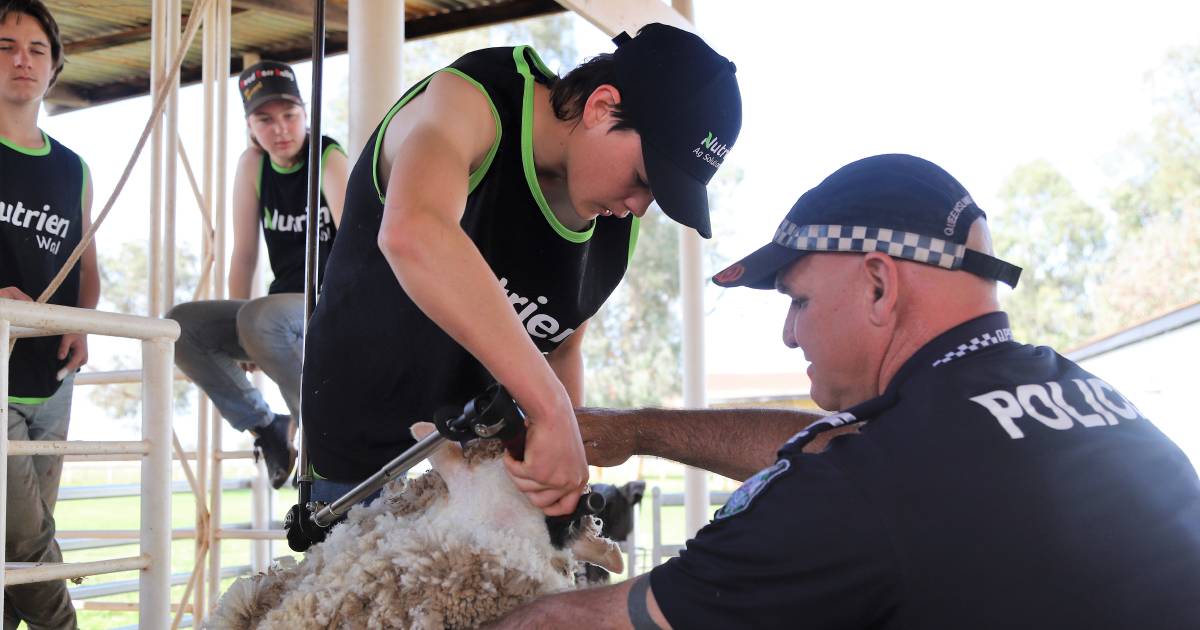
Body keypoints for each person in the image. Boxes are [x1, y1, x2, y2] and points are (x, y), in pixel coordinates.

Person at [489, 154, 1200, 629]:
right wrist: (638, 430)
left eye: (797, 300)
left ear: (881, 284)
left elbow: (580, 625)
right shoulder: (1094, 406)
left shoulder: (868, 490)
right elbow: (855, 455)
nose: (790, 337)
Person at [301, 24, 742, 515]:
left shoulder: (613, 219)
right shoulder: (472, 101)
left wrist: (561, 469)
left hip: (476, 476)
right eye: (643, 179)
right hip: (360, 465)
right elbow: (413, 233)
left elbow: (561, 348)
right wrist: (549, 408)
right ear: (600, 107)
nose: (639, 208)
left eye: (657, 197)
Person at [167, 60, 349, 489]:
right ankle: (267, 425)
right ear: (250, 125)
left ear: (306, 114)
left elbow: (357, 245)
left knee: (260, 318)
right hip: (277, 310)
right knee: (181, 325)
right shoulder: (252, 166)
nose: (280, 129)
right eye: (265, 119)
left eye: (290, 116)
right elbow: (244, 253)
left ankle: (324, 429)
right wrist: (246, 330)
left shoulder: (329, 158)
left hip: (330, 302)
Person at [0, 1, 98, 627]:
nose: (20, 60)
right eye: (5, 46)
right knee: (26, 540)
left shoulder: (74, 168)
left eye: (36, 48)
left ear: (55, 65)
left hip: (51, 382)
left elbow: (88, 271)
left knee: (15, 557)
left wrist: (83, 320)